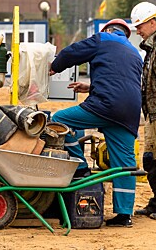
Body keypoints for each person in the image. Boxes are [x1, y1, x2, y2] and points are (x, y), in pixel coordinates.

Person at [49, 18, 143, 227]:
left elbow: (72, 52)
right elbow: (121, 81)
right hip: (129, 112)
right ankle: (124, 215)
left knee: (60, 121)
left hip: (105, 104)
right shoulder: (134, 53)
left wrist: (54, 67)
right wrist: (90, 88)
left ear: (109, 29)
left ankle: (81, 168)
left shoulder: (103, 38)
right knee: (125, 164)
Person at [131, 2, 156, 221]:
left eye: (140, 26)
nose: (137, 30)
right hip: (153, 113)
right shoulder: (153, 45)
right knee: (151, 160)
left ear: (153, 22)